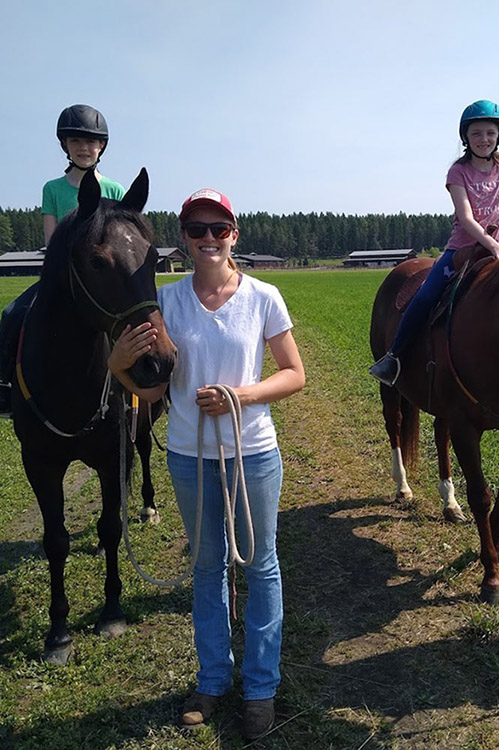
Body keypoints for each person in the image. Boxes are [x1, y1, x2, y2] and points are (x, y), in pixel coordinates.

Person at [108, 187, 305, 740]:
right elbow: (149, 395)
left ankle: (261, 685)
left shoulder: (264, 296)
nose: (209, 239)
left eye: (219, 228)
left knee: (260, 565)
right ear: (184, 240)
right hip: (189, 458)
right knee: (207, 566)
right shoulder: (166, 303)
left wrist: (241, 395)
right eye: (197, 230)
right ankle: (213, 679)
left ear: (234, 235)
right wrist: (118, 367)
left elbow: (294, 373)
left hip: (254, 456)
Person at [369, 99, 499, 386]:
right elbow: (465, 216)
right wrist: (491, 245)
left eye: (489, 132)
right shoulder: (458, 172)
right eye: (476, 133)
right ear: (466, 137)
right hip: (462, 249)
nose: (484, 139)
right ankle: (394, 356)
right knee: (425, 296)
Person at [0, 104, 124, 417]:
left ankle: (150, 390)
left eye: (91, 142)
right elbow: (51, 241)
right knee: (12, 313)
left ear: (102, 146)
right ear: (65, 146)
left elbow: (122, 243)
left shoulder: (115, 189)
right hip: (61, 279)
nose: (84, 148)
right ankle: (5, 388)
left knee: (137, 321)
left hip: (102, 280)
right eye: (76, 141)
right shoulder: (52, 189)